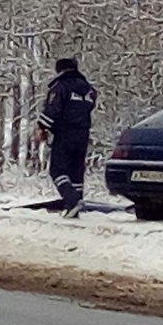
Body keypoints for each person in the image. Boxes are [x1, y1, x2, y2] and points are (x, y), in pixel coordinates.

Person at [38, 56, 98, 218]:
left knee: (57, 170)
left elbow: (52, 110)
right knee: (76, 172)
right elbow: (90, 105)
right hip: (83, 134)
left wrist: (43, 127)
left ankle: (72, 201)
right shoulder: (89, 89)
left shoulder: (60, 87)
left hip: (65, 133)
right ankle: (75, 207)